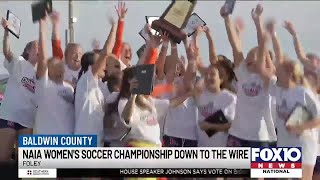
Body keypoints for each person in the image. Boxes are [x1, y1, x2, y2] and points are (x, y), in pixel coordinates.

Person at [257, 30, 320, 180]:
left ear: (289, 72)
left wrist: (299, 127)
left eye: (280, 70)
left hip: (304, 144)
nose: (276, 70)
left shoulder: (303, 92)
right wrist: (263, 44)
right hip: (284, 145)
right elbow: (261, 70)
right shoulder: (278, 90)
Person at [221, 4, 277, 147]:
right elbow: (236, 46)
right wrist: (227, 18)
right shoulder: (243, 74)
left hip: (261, 137)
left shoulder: (268, 79)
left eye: (254, 58)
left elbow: (263, 45)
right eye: (248, 58)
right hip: (237, 134)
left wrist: (258, 21)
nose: (249, 60)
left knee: (258, 171)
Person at [74, 17, 116, 147]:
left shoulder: (102, 87)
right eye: (101, 62)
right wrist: (115, 26)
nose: (105, 65)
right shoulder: (86, 80)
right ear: (92, 66)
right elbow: (106, 52)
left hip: (98, 143)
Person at [0, 18, 38, 161]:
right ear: (28, 50)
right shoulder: (19, 63)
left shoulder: (40, 74)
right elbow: (7, 51)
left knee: (25, 161)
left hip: (26, 121)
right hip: (9, 116)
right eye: (37, 46)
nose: (40, 49)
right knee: (3, 157)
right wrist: (6, 32)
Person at [34, 13, 75, 134]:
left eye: (61, 66)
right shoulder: (44, 85)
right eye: (55, 67)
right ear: (48, 70)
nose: (60, 69)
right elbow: (43, 58)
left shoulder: (70, 88)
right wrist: (42, 26)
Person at [195, 64, 237, 147]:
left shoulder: (230, 98)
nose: (208, 77)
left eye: (212, 74)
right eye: (206, 74)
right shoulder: (200, 96)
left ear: (221, 79)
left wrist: (211, 126)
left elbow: (234, 125)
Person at [51, 10, 83, 87]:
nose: (77, 57)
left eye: (80, 54)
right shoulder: (61, 67)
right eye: (74, 53)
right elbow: (56, 45)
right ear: (66, 55)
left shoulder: (86, 71)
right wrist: (55, 24)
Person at [112, 1, 132, 67]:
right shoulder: (116, 64)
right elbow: (118, 41)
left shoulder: (133, 69)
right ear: (119, 52)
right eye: (125, 50)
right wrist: (121, 20)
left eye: (129, 50)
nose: (128, 53)